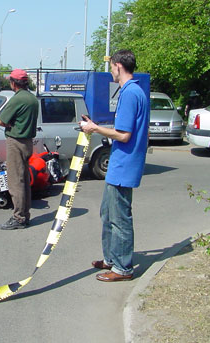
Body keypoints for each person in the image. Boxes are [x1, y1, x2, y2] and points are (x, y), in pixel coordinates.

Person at [81, 49, 149, 281]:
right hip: (120, 165)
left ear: (119, 66)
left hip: (124, 166)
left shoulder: (130, 93)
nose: (110, 70)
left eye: (111, 66)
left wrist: (94, 128)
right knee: (108, 213)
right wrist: (97, 125)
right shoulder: (133, 91)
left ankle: (122, 268)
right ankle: (111, 259)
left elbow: (124, 135)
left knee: (119, 218)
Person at [0, 69, 39, 230]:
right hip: (28, 142)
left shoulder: (18, 99)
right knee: (24, 180)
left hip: (16, 141)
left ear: (14, 83)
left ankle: (19, 217)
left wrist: (11, 125)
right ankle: (24, 215)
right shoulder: (32, 98)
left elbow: (1, 121)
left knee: (15, 181)